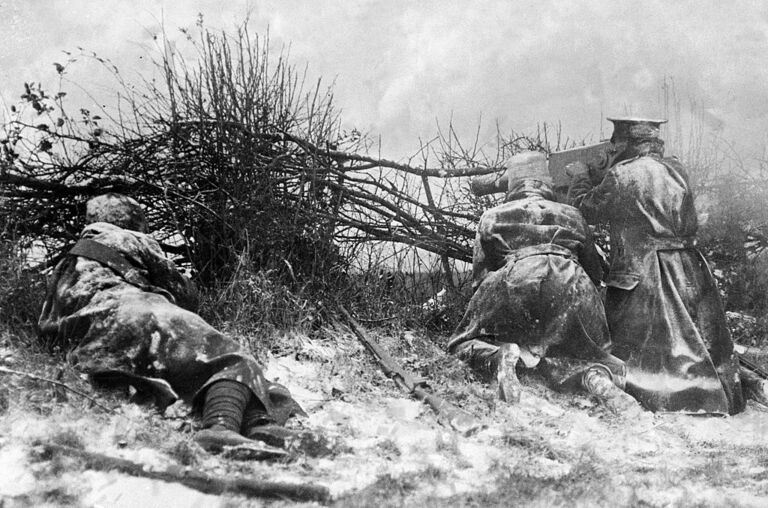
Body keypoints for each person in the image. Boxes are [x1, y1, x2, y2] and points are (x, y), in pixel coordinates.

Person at [38, 193, 304, 451]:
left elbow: (47, 326)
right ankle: (223, 429)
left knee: (188, 371)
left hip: (91, 349)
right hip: (134, 314)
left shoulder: (64, 265)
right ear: (134, 221)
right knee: (228, 356)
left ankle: (258, 424)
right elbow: (184, 295)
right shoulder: (131, 238)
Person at [567, 117, 747, 414]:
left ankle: (668, 402)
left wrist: (580, 177)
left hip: (648, 269)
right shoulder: (677, 169)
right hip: (688, 265)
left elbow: (586, 209)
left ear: (624, 143)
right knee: (695, 341)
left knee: (654, 350)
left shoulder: (623, 174)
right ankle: (713, 398)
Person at [449, 152, 637, 411]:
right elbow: (594, 273)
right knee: (583, 350)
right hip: (572, 278)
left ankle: (500, 356)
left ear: (513, 183)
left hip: (517, 275)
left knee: (462, 342)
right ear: (546, 182)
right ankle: (596, 377)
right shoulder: (572, 214)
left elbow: (480, 278)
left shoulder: (492, 216)